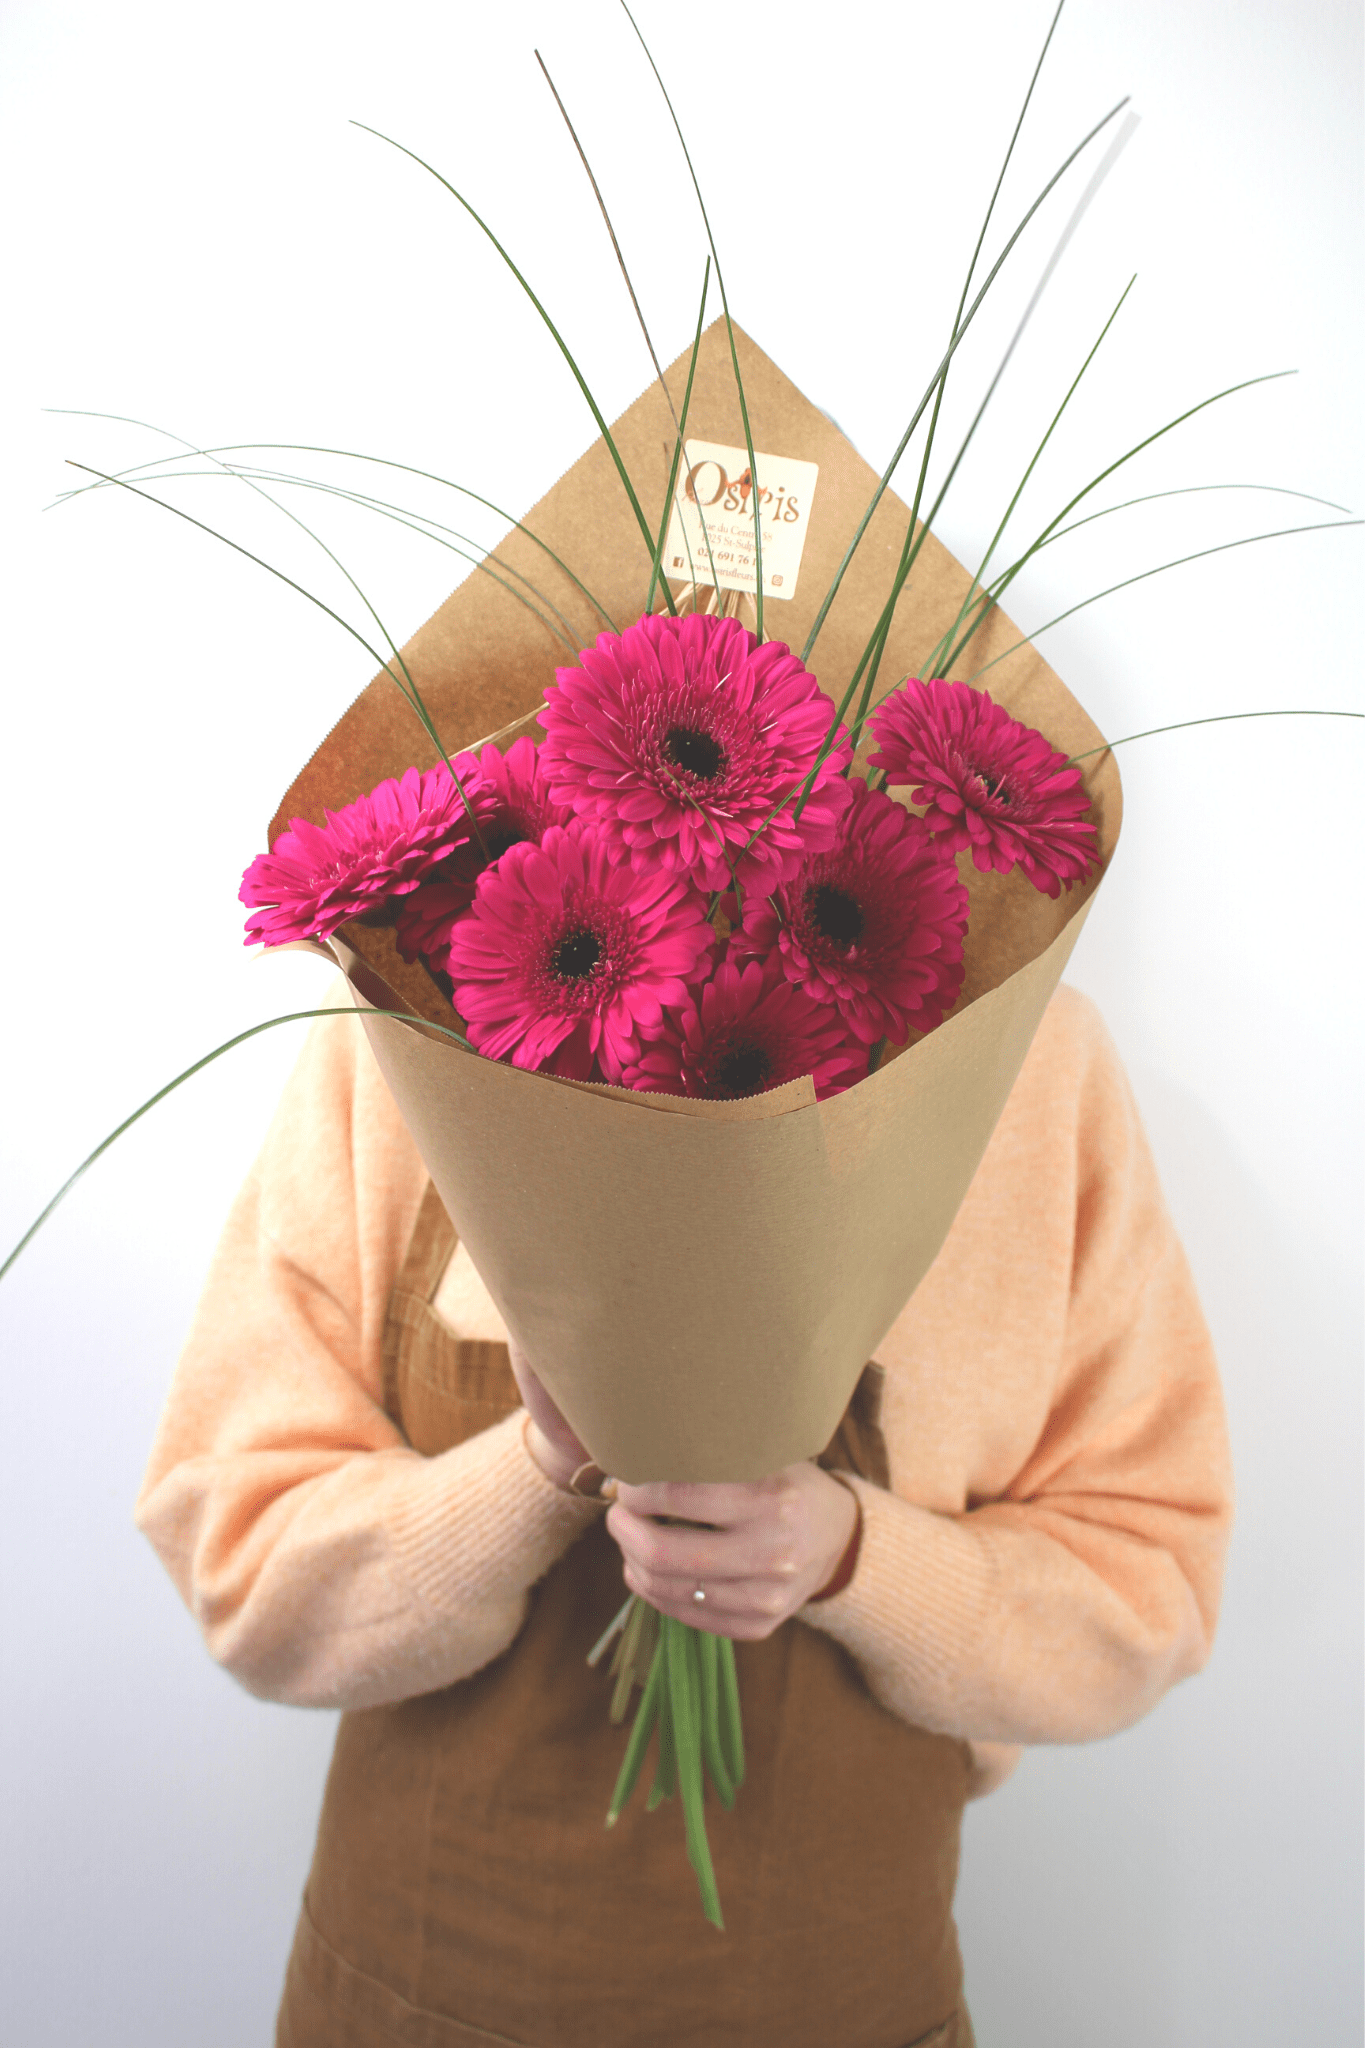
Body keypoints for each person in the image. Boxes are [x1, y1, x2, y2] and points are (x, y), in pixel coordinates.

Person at [136, 976, 1233, 2048]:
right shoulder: (401, 1022)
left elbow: (1151, 1579)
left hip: (849, 2005)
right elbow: (240, 1555)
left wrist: (856, 1559)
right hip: (410, 2000)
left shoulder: (1034, 1060)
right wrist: (538, 1466)